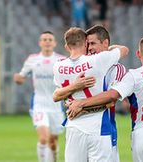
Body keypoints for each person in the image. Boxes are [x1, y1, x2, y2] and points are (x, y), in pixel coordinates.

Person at [67, 36, 143, 162]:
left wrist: (82, 103)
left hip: (141, 133)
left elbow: (112, 95)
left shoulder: (134, 75)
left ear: (138, 54)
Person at [53, 24, 128, 162]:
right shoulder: (96, 61)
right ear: (84, 43)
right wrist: (75, 86)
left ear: (66, 46)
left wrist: (80, 104)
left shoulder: (58, 65)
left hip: (79, 124)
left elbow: (111, 99)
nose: (90, 48)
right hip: (97, 126)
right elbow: (123, 49)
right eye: (89, 44)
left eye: (93, 43)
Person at [13, 31, 65, 162]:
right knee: (43, 138)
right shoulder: (32, 59)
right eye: (44, 39)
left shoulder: (61, 60)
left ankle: (53, 159)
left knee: (53, 142)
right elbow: (21, 78)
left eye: (49, 39)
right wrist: (18, 79)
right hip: (39, 104)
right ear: (40, 43)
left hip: (56, 106)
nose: (47, 41)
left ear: (54, 43)